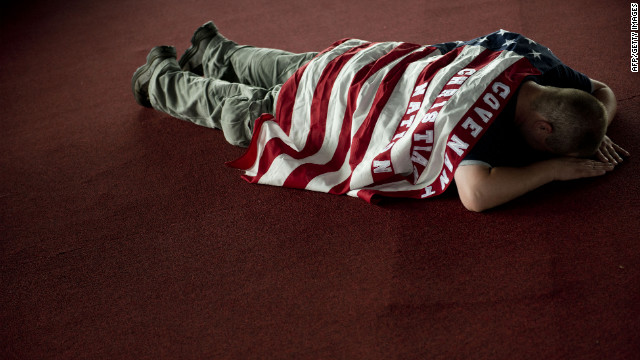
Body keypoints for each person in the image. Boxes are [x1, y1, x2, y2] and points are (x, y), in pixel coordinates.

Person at [132, 21, 629, 211]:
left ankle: (215, 50)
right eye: (543, 145)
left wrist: (599, 120)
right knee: (252, 110)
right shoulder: (486, 127)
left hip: (360, 65)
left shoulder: (532, 59)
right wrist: (553, 169)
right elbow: (476, 196)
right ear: (543, 130)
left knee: (294, 66)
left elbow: (602, 91)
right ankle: (157, 80)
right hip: (336, 111)